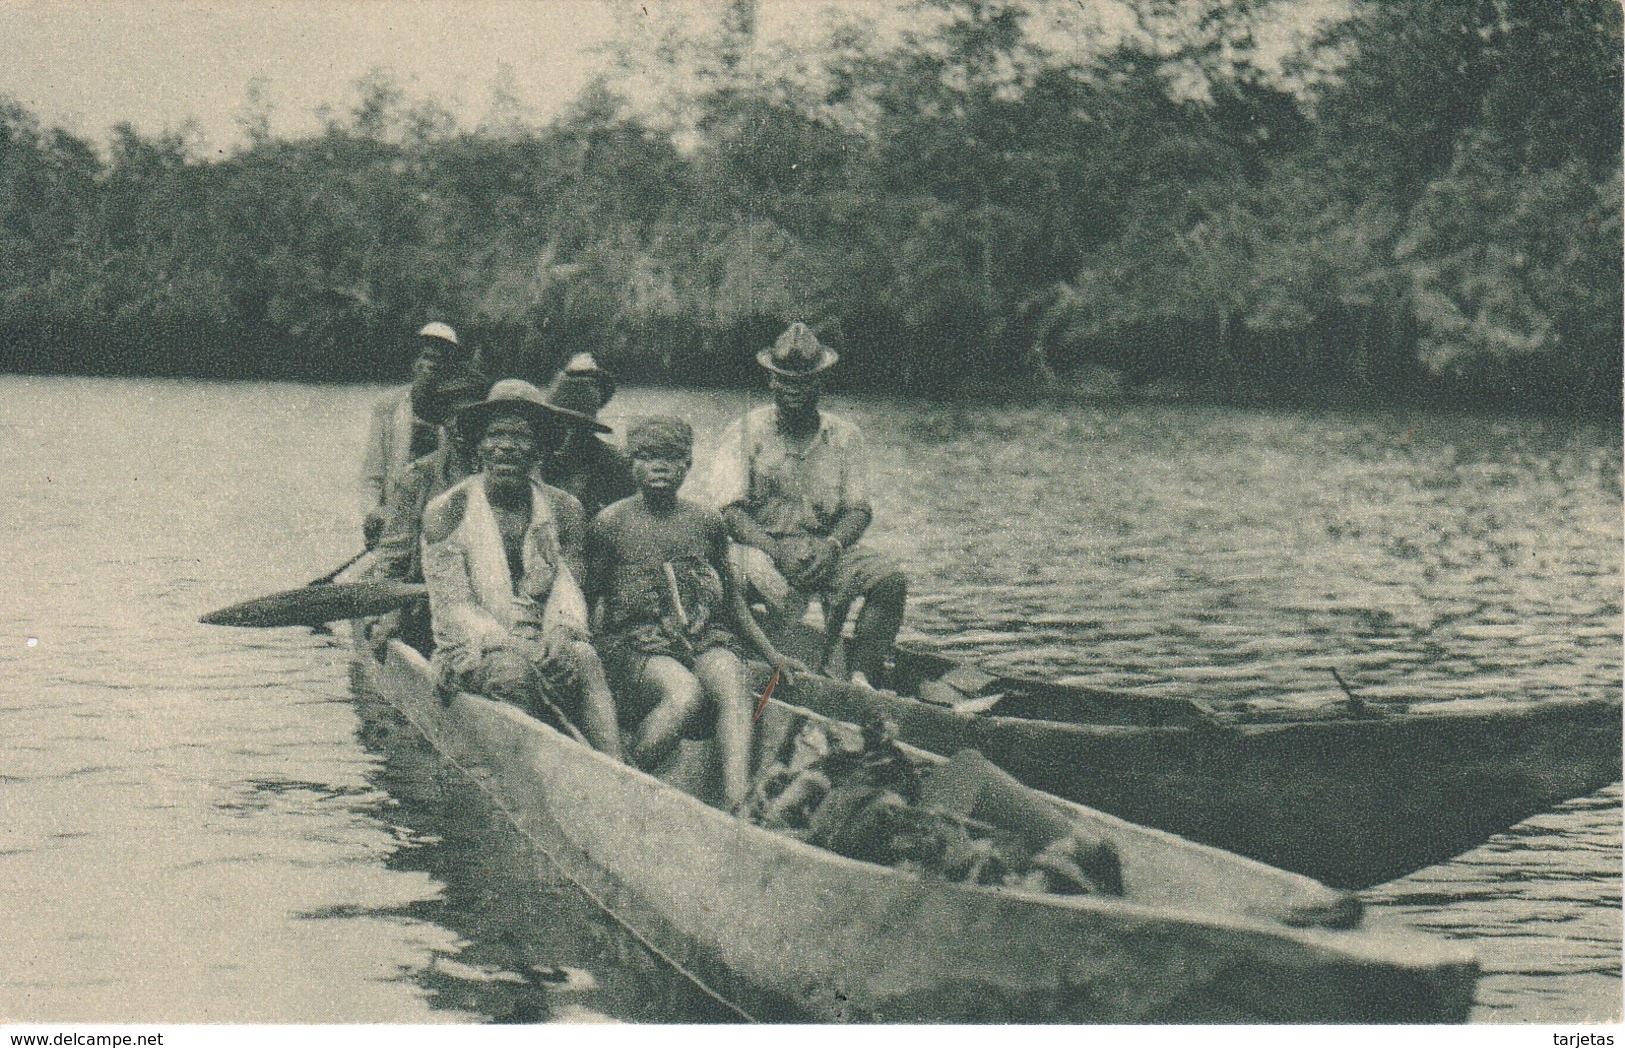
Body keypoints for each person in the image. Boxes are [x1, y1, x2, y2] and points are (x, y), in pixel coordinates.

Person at [584, 416, 804, 810]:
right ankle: (628, 776)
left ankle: (736, 801)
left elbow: (731, 601)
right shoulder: (610, 523)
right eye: (647, 457)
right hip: (637, 643)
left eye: (671, 458)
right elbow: (588, 597)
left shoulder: (707, 522)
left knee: (733, 682)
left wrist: (772, 655)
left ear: (687, 465)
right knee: (686, 695)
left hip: (700, 634)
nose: (659, 467)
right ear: (631, 462)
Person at [420, 381, 621, 757]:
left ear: (541, 449)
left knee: (586, 659)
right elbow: (453, 608)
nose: (507, 447)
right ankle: (551, 762)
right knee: (514, 675)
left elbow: (567, 590)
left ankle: (616, 767)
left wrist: (562, 635)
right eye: (496, 435)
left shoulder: (564, 509)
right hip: (472, 648)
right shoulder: (447, 510)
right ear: (479, 446)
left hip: (541, 640)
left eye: (522, 437)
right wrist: (510, 645)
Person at [706, 322, 908, 687]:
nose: (793, 390)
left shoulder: (845, 438)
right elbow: (730, 511)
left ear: (820, 382)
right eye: (784, 380)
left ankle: (862, 675)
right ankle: (740, 656)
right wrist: (773, 549)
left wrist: (832, 546)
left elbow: (858, 509)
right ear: (771, 381)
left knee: (889, 580)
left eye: (803, 381)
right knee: (726, 578)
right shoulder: (743, 432)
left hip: (822, 548)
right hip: (760, 548)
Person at [359, 321, 481, 548]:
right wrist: (373, 513)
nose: (429, 365)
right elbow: (373, 472)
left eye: (438, 359)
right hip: (396, 512)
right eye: (425, 357)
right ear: (413, 361)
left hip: (442, 511)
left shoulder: (459, 405)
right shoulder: (389, 405)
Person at [540, 353, 637, 519]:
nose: (566, 435)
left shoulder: (614, 465)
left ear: (589, 429)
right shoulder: (533, 459)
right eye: (558, 424)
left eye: (576, 426)